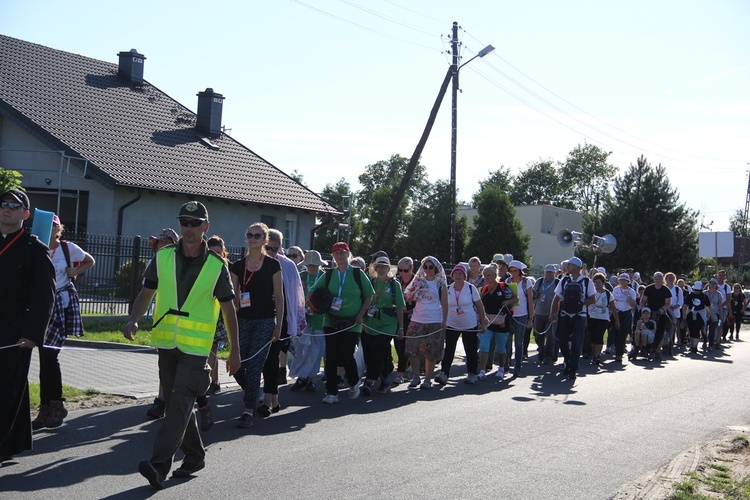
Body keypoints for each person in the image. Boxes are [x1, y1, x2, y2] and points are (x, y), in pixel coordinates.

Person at [123, 201, 240, 489]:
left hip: (197, 349)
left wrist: (234, 350)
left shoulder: (216, 266)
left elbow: (229, 310)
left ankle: (160, 464)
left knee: (180, 401)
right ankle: (195, 455)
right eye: (184, 222)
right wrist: (133, 319)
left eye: (194, 223)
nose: (188, 228)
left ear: (205, 227)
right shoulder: (162, 257)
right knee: (177, 403)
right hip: (166, 342)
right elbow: (146, 292)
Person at [0, 189, 55, 467]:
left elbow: (44, 295)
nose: (6, 209)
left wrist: (34, 335)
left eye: (13, 206)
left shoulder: (34, 248)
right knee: (11, 389)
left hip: (16, 332)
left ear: (25, 214)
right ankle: (13, 441)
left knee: (7, 386)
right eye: (2, 205)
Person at [33, 214, 95, 429]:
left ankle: (56, 405)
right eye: (47, 225)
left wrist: (75, 270)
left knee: (50, 356)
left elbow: (90, 260)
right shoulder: (35, 246)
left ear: (59, 229)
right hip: (41, 306)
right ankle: (45, 408)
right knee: (43, 357)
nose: (50, 229)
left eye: (54, 226)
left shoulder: (68, 248)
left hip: (60, 306)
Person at [229, 222, 284, 428]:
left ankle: (248, 410)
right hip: (241, 320)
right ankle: (254, 392)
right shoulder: (237, 266)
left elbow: (279, 297)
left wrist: (278, 325)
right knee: (235, 365)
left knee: (254, 365)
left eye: (258, 235)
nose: (253, 238)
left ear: (265, 239)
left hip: (265, 321)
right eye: (250, 234)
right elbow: (232, 298)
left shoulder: (272, 265)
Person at [308, 242, 374, 404]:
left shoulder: (358, 274)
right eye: (336, 253)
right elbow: (311, 292)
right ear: (333, 256)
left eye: (342, 252)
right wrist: (315, 307)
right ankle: (332, 392)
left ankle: (353, 381)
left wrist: (361, 314)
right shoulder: (329, 275)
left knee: (345, 355)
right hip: (331, 320)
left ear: (348, 254)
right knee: (330, 357)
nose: (339, 255)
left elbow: (369, 296)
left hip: (353, 322)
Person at [258, 229, 306, 416]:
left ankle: (268, 397)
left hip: (281, 319)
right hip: (259, 317)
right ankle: (273, 397)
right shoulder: (256, 262)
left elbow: (296, 295)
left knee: (271, 359)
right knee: (263, 360)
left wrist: (295, 321)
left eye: (274, 248)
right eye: (267, 247)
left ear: (280, 247)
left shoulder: (287, 265)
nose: (271, 252)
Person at [145, 228, 180, 420]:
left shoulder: (183, 262)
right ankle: (162, 400)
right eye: (160, 243)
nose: (162, 245)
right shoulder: (156, 262)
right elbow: (147, 290)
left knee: (183, 366)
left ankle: (196, 401)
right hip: (162, 320)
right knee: (165, 364)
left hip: (185, 321)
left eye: (167, 242)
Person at [402, 256, 448, 389]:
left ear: (436, 269)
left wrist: (445, 321)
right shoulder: (419, 281)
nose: (428, 270)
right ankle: (415, 376)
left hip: (435, 320)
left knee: (430, 352)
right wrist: (414, 291)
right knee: (413, 349)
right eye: (425, 267)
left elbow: (445, 304)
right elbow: (408, 296)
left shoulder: (441, 284)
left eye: (430, 267)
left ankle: (427, 379)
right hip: (417, 319)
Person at [436, 264, 486, 385]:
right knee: (449, 349)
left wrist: (482, 323)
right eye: (455, 273)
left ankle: (472, 373)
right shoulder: (447, 289)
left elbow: (479, 306)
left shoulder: (470, 288)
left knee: (471, 350)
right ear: (452, 275)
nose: (457, 275)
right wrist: (443, 322)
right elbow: (442, 306)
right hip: (452, 324)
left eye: (460, 273)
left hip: (469, 324)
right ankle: (444, 373)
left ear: (464, 276)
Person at [361, 256, 405, 394]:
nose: (381, 269)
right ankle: (385, 379)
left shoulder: (394, 284)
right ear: (375, 268)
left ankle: (369, 380)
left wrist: (401, 327)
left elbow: (399, 307)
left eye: (384, 267)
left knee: (378, 351)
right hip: (371, 322)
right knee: (373, 353)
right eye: (379, 267)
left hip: (388, 324)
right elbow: (365, 301)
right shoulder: (371, 282)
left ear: (388, 268)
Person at [550, 257, 595, 381]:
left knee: (576, 342)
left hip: (579, 316)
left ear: (575, 266)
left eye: (569, 265)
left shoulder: (587, 282)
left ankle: (572, 369)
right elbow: (556, 297)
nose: (567, 267)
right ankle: (568, 360)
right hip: (564, 314)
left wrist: (579, 302)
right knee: (562, 340)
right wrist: (552, 312)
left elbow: (593, 299)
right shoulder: (564, 280)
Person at [290, 250, 327, 392]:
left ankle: (309, 378)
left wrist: (318, 307)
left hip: (319, 318)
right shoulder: (300, 276)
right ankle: (301, 375)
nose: (312, 267)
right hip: (302, 318)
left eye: (314, 265)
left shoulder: (324, 277)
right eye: (309, 264)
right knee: (300, 348)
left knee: (316, 350)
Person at [478, 263, 517, 379]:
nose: (486, 277)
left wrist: (508, 302)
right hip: (487, 322)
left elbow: (516, 298)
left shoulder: (504, 287)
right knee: (484, 346)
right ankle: (482, 370)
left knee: (500, 347)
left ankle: (501, 368)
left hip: (501, 323)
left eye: (489, 275)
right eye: (484, 275)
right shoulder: (484, 289)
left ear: (495, 275)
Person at [506, 260, 534, 376]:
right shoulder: (507, 281)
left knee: (518, 342)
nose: (513, 273)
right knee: (507, 341)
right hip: (510, 314)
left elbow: (530, 301)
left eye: (515, 271)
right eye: (511, 271)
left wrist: (530, 318)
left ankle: (517, 366)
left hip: (521, 315)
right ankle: (506, 364)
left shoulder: (526, 282)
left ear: (520, 272)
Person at [586, 272, 619, 366]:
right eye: (595, 282)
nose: (597, 284)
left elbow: (613, 307)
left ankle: (597, 355)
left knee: (599, 336)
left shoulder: (608, 294)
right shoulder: (591, 293)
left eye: (599, 282)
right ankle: (594, 353)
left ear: (603, 283)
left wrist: (617, 320)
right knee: (592, 336)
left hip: (603, 318)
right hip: (591, 317)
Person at [393, 257, 416, 385]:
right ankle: (406, 366)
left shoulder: (418, 282)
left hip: (411, 317)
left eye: (405, 270)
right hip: (397, 316)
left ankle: (401, 373)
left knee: (404, 345)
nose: (402, 273)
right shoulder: (397, 281)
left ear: (412, 268)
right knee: (397, 343)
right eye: (400, 270)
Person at [639, 272, 672, 361]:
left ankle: (657, 350)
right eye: (656, 279)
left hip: (661, 312)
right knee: (644, 328)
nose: (658, 281)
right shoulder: (649, 288)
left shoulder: (666, 290)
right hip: (649, 313)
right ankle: (644, 348)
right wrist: (643, 310)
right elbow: (643, 300)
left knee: (661, 331)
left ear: (663, 280)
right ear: (654, 279)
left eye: (660, 279)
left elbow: (668, 303)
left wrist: (663, 309)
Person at [533, 264, 559, 365]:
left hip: (551, 314)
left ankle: (548, 356)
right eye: (547, 272)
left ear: (554, 273)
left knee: (550, 336)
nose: (549, 274)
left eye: (551, 272)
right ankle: (541, 350)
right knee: (538, 334)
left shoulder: (557, 283)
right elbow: (534, 293)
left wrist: (555, 312)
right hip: (539, 312)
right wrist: (535, 295)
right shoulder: (539, 281)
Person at [612, 273, 637, 363]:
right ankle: (616, 349)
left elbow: (633, 305)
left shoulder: (631, 291)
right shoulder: (616, 290)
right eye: (621, 280)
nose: (623, 282)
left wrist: (628, 297)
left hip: (626, 313)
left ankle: (619, 354)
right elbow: (613, 301)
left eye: (624, 280)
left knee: (622, 334)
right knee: (615, 333)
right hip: (617, 312)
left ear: (628, 281)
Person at [682, 281, 711, 354]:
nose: (696, 292)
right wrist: (684, 314)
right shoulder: (689, 296)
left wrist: (712, 315)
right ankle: (692, 345)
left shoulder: (704, 296)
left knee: (697, 330)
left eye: (698, 290)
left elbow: (708, 306)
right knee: (691, 330)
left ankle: (695, 345)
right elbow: (685, 305)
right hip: (690, 313)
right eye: (695, 290)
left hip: (700, 314)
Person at [704, 278, 724, 351]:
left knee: (712, 330)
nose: (712, 285)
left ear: (716, 285)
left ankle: (711, 344)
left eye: (714, 284)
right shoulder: (705, 293)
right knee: (704, 329)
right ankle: (705, 341)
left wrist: (721, 315)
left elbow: (720, 306)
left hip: (715, 314)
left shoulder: (719, 294)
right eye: (711, 283)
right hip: (705, 314)